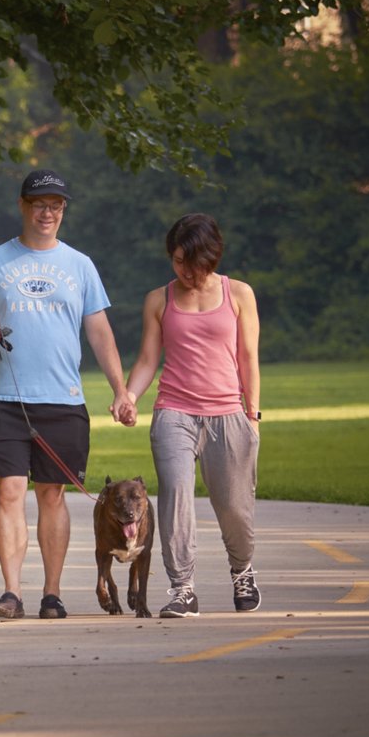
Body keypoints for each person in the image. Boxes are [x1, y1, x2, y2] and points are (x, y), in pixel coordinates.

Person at [0, 169, 133, 620]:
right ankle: (11, 593)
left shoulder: (80, 265)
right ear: (23, 205)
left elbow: (99, 332)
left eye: (55, 204)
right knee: (10, 492)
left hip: (63, 399)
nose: (47, 212)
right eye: (39, 203)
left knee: (52, 495)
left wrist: (121, 390)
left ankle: (52, 594)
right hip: (6, 400)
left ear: (64, 210)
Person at [122, 213, 262, 618]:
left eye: (193, 262)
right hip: (174, 413)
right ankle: (183, 588)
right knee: (175, 498)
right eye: (177, 261)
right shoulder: (158, 300)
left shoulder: (239, 294)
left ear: (211, 256)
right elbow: (149, 358)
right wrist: (130, 394)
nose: (185, 271)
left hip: (228, 413)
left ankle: (242, 570)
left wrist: (252, 415)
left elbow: (248, 358)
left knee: (234, 507)